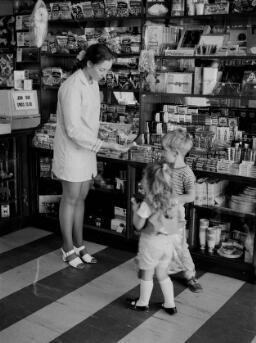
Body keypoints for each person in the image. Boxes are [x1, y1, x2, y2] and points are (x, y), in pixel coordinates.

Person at [52, 43, 128, 269]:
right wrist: (106, 145)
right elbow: (73, 129)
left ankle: (79, 244)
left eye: (107, 70)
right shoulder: (71, 86)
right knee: (70, 198)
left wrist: (106, 132)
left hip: (86, 150)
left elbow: (89, 119)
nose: (104, 75)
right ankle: (67, 247)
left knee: (82, 197)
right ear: (89, 64)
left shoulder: (93, 83)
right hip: (72, 151)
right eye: (102, 69)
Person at [127, 161, 180, 315]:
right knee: (162, 273)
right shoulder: (173, 199)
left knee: (147, 273)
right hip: (168, 243)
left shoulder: (148, 202)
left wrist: (135, 210)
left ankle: (142, 303)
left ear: (148, 182)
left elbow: (138, 225)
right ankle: (170, 304)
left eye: (143, 177)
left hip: (151, 243)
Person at [161, 128, 203, 292]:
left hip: (175, 215)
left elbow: (191, 196)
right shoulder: (166, 168)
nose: (162, 153)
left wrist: (175, 200)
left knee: (179, 245)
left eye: (165, 150)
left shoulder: (186, 173)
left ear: (176, 152)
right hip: (162, 211)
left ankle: (190, 275)